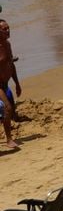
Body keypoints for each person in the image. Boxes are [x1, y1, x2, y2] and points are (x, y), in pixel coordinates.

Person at [0, 20, 21, 149]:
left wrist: (17, 83)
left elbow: (11, 65)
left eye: (8, 28)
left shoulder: (7, 45)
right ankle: (9, 140)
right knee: (7, 108)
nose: (8, 31)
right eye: (4, 29)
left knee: (11, 110)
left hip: (5, 84)